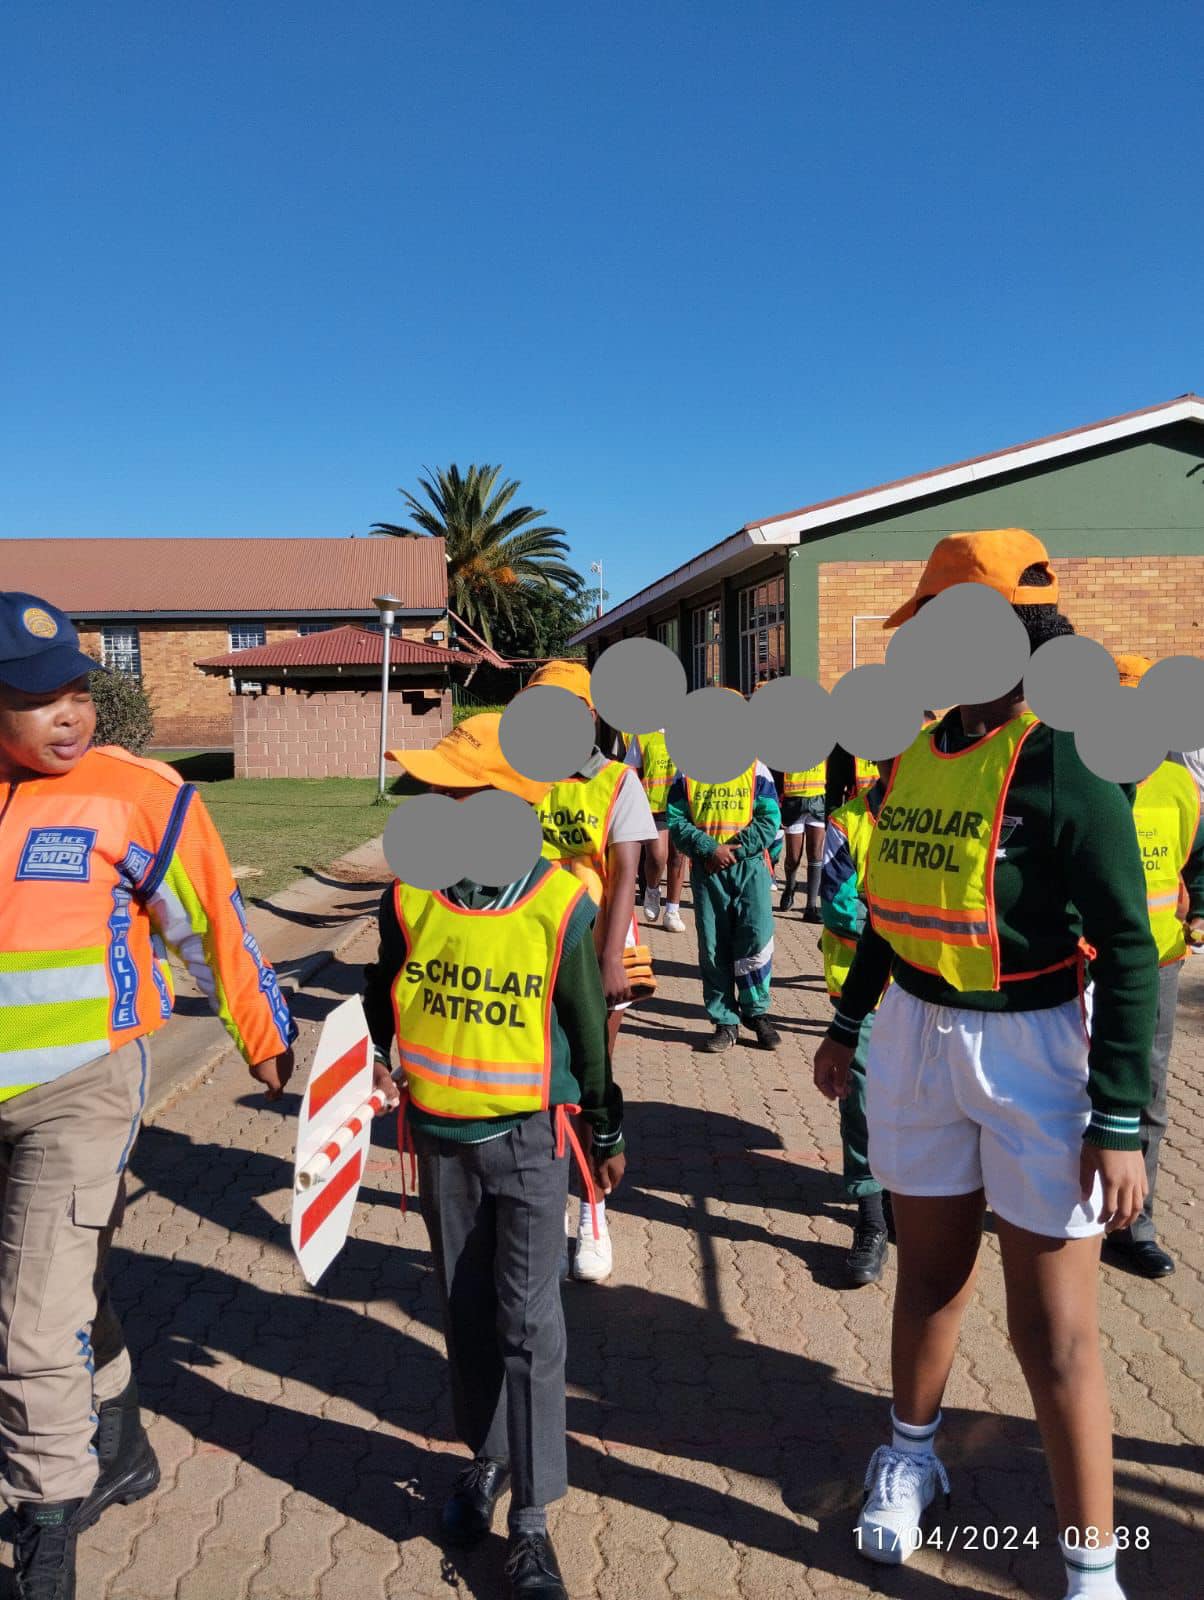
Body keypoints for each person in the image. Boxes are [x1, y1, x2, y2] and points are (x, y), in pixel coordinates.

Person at [812, 531, 1157, 1600]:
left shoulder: (1069, 761)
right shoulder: (916, 754)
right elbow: (887, 913)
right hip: (915, 1034)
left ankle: (1091, 1566)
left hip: (1036, 1053)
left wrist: (1119, 1118)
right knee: (928, 1275)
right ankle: (911, 1456)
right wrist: (845, 1018)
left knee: (1051, 1327)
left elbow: (1132, 947)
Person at [0, 591, 296, 1600]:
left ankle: (47, 1522)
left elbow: (212, 924)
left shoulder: (139, 794)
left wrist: (265, 1039)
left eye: (77, 689)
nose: (69, 714)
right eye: (38, 699)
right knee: (61, 1290)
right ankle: (119, 1435)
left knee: (30, 1318)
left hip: (81, 1088)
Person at [362, 714, 623, 1600]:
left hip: (529, 1146)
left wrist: (606, 1129)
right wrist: (376, 1059)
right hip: (440, 1143)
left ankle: (534, 1522)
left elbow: (588, 1030)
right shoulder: (409, 894)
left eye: (451, 790)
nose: (432, 805)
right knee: (466, 1315)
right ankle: (485, 1460)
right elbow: (381, 989)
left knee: (529, 1323)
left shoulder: (559, 903)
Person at [525, 660, 656, 1282]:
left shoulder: (617, 782)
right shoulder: (518, 776)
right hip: (526, 952)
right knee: (536, 1083)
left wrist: (608, 958)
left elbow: (627, 871)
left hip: (597, 948)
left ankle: (592, 1211)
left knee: (589, 1077)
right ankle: (538, 1213)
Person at [1103, 655, 1204, 1278]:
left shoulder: (1176, 785)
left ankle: (1133, 1222)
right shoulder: (1072, 776)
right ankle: (1059, 1209)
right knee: (1064, 1088)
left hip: (1156, 964)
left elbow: (1191, 863)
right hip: (1077, 964)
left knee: (1149, 1093)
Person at [666, 704, 782, 1051]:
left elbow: (769, 818)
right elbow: (676, 821)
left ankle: (756, 1012)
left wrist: (735, 849)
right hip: (709, 870)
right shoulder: (686, 773)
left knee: (756, 938)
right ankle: (724, 1020)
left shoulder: (756, 769)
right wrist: (708, 848)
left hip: (749, 869)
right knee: (714, 947)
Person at [818, 756, 894, 1285]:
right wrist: (904, 919)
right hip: (861, 990)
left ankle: (908, 1200)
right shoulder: (847, 821)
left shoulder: (944, 812)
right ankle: (870, 1216)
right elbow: (838, 901)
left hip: (931, 993)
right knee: (862, 1097)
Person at [624, 728, 687, 931]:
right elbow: (630, 769)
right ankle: (652, 889)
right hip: (654, 806)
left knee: (678, 856)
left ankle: (672, 911)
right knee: (657, 856)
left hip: (682, 805)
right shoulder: (643, 735)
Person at [775, 761, 827, 920]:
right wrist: (777, 804)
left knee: (815, 853)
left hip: (818, 798)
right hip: (793, 801)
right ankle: (790, 887)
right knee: (793, 857)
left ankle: (810, 907)